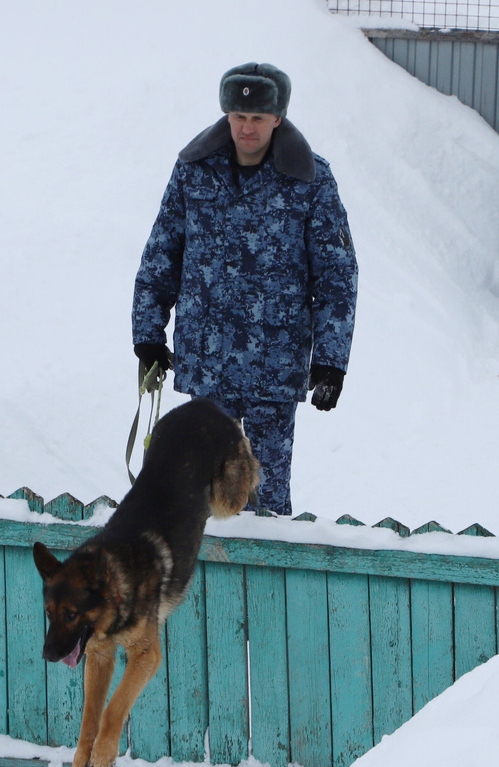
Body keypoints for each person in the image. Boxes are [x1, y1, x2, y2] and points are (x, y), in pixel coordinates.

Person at [131, 62, 357, 516]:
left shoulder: (310, 180)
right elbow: (162, 254)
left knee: (266, 500)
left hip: (274, 366)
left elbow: (336, 276)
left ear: (278, 118)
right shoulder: (193, 171)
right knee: (208, 496)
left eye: (257, 118)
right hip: (208, 361)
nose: (246, 127)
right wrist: (148, 334)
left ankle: (272, 584)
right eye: (238, 116)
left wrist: (331, 362)